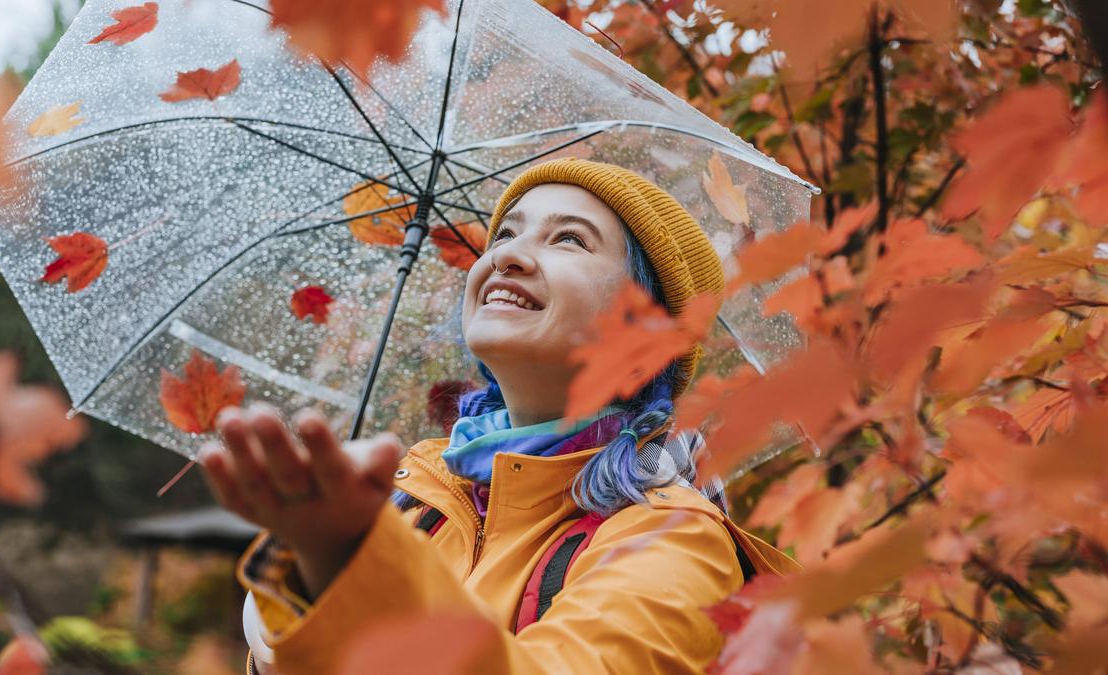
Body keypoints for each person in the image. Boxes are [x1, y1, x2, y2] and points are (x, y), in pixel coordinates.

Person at [199, 158, 799, 674]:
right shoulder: (414, 492)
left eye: (569, 239)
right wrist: (300, 592)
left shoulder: (675, 537)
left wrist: (353, 579)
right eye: (505, 234)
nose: (509, 255)